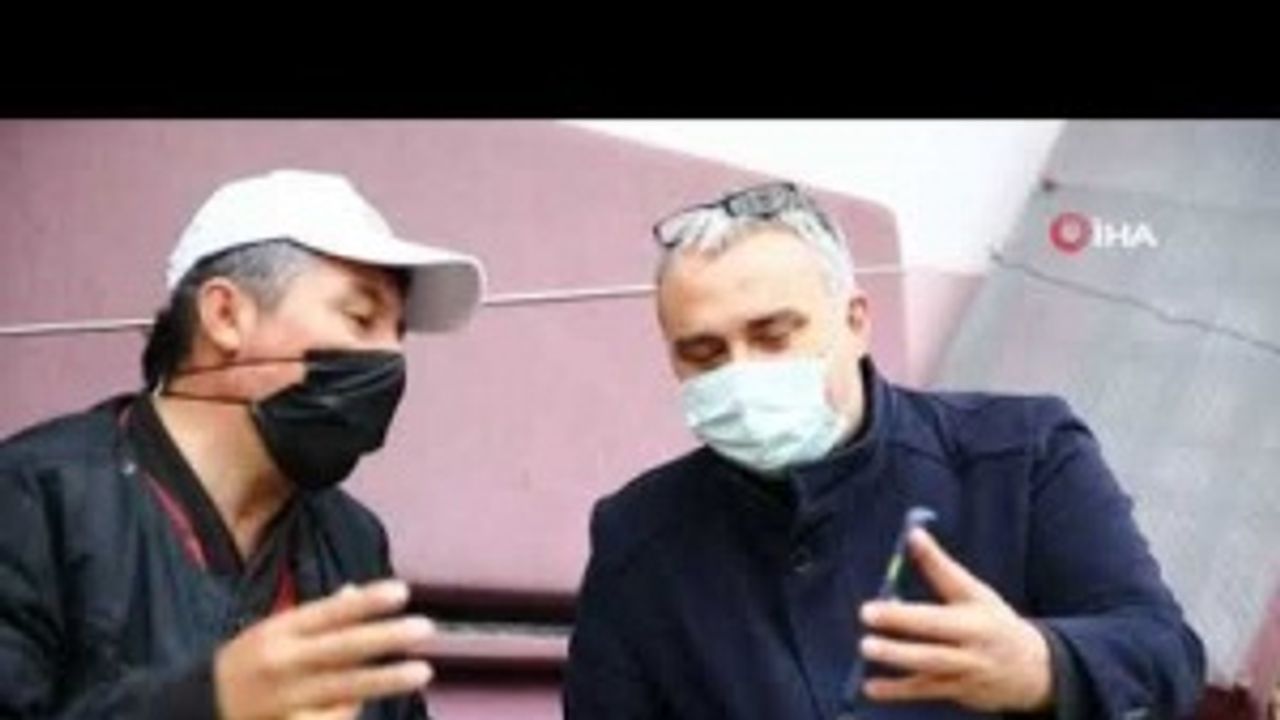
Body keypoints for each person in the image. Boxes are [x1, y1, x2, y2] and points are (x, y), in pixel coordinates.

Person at [564, 181, 1205, 719]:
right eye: (704, 354)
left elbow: (1165, 652)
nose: (741, 372)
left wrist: (1043, 665)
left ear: (855, 321)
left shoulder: (1023, 454)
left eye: (773, 335)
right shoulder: (640, 536)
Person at [0, 169, 485, 719]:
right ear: (225, 315)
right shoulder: (37, 500)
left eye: (397, 334)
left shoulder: (352, 542)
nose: (390, 359)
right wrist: (210, 702)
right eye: (361, 318)